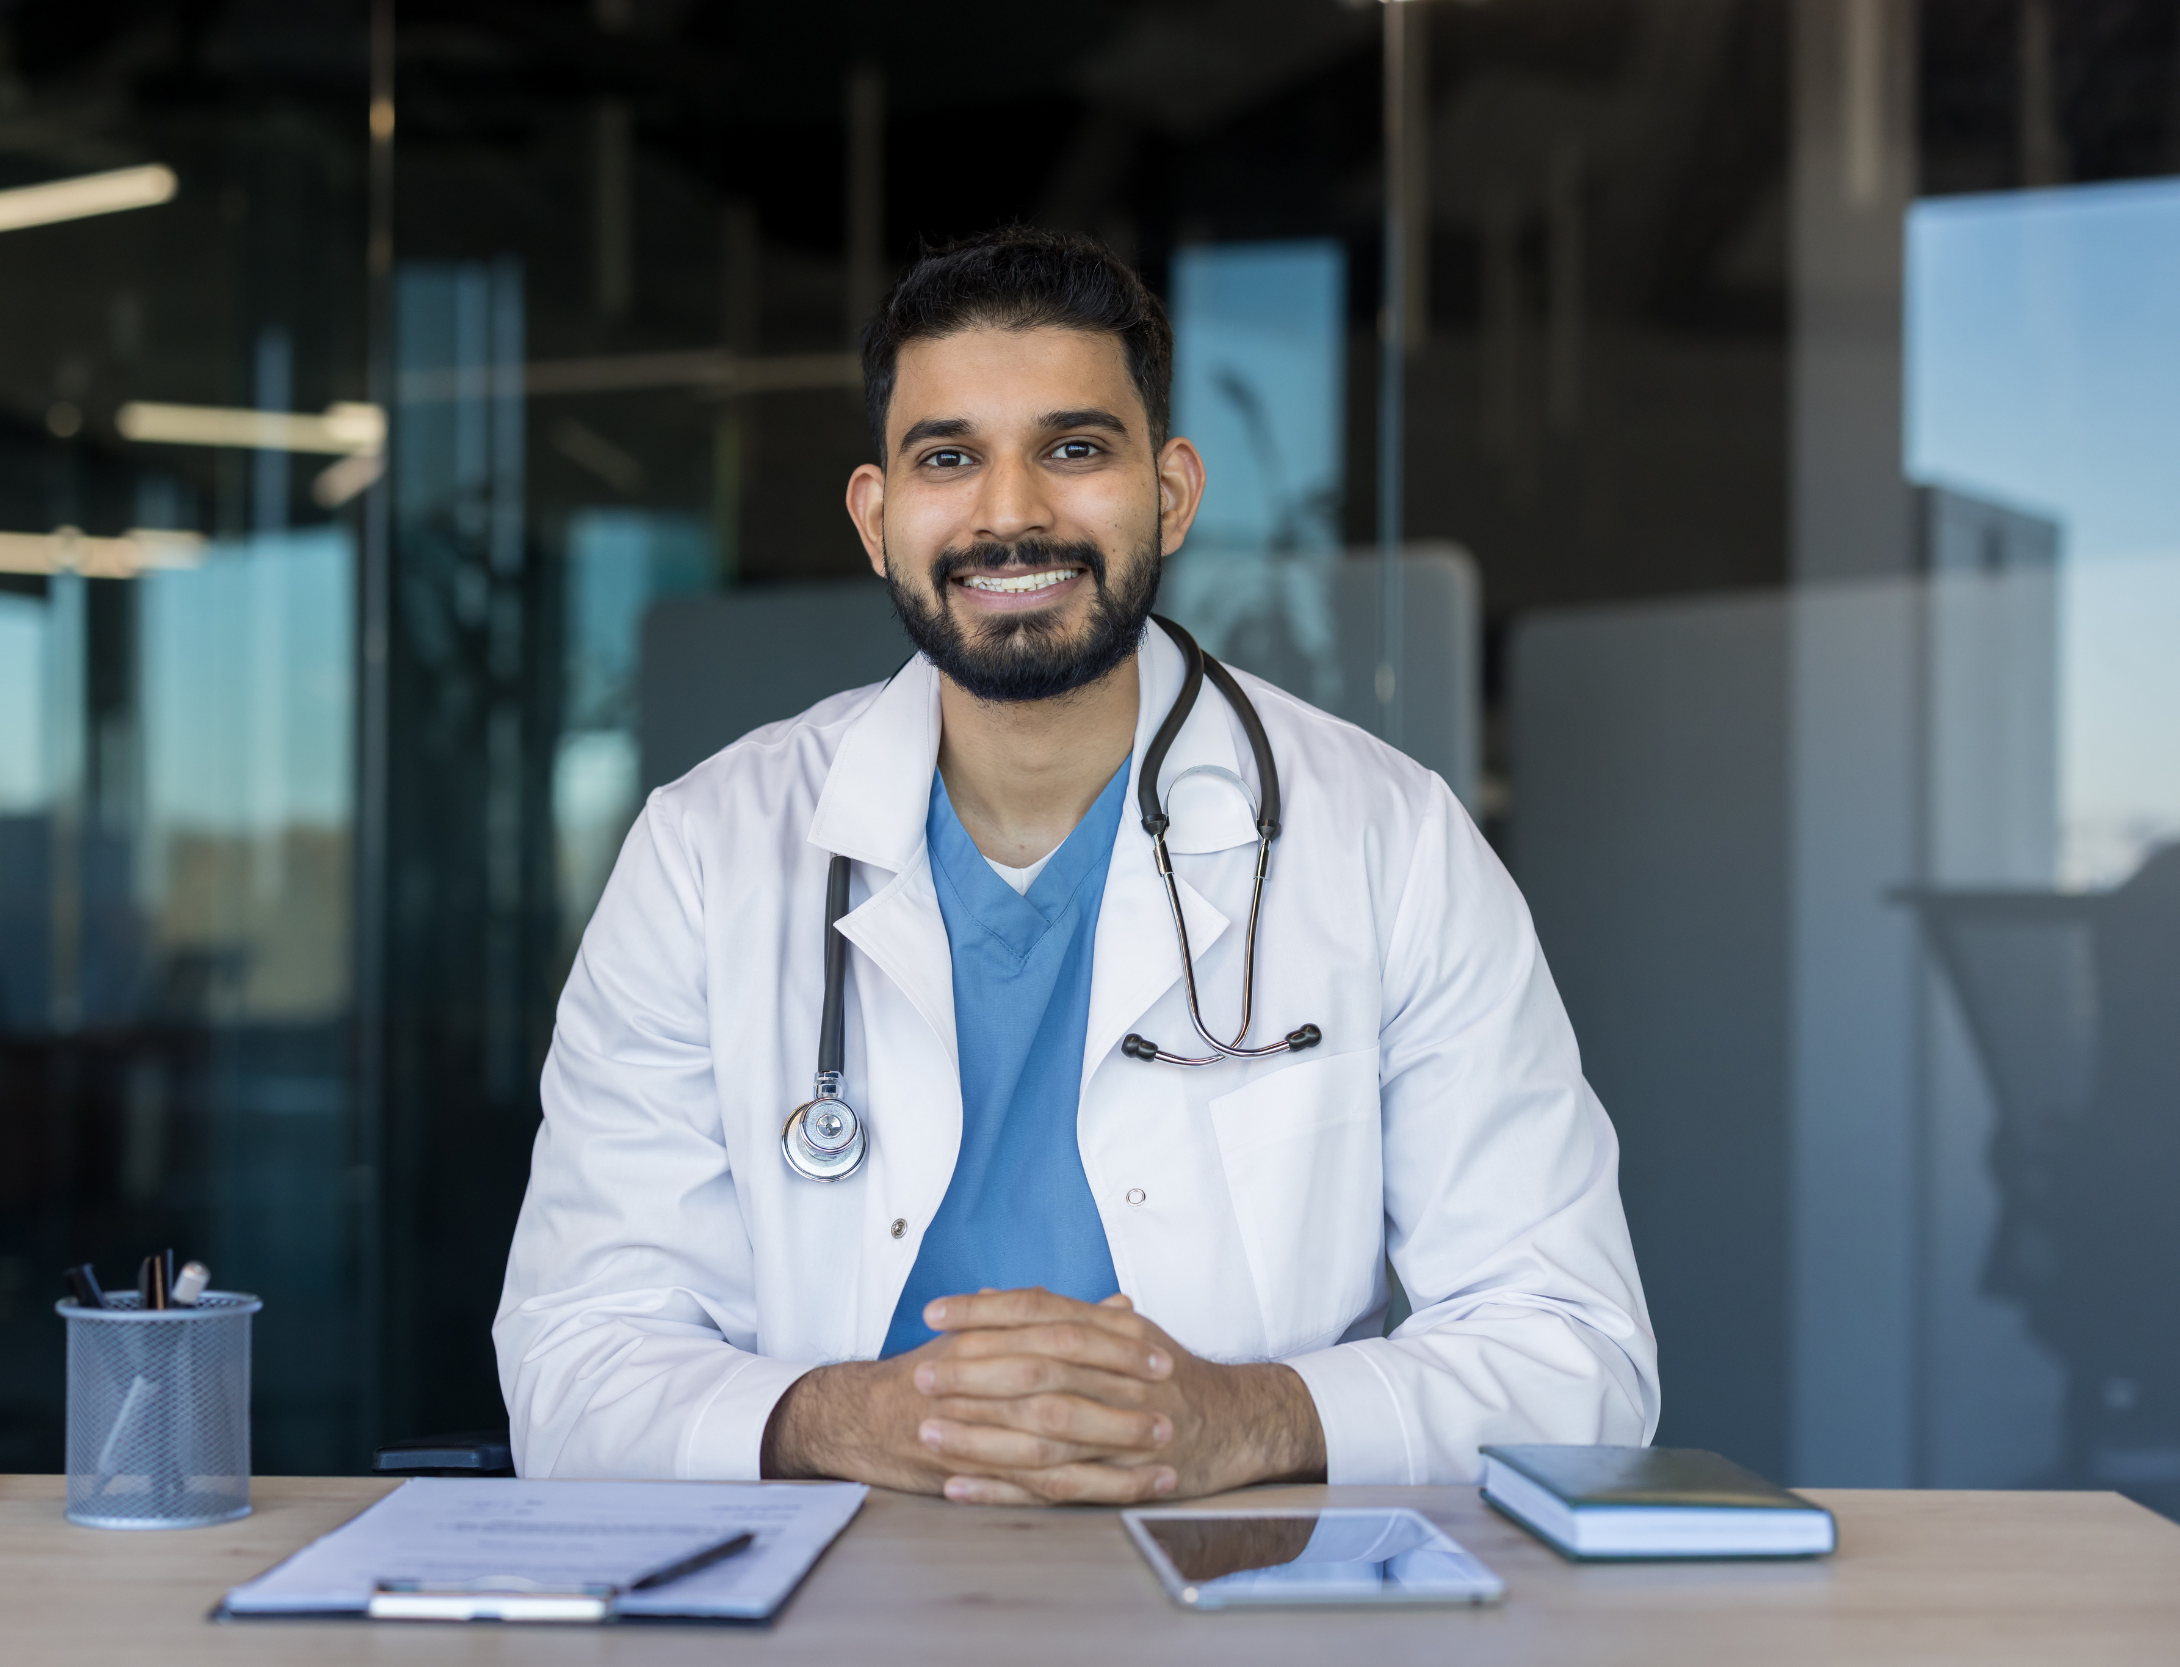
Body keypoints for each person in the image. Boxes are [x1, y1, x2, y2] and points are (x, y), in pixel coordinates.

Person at [495, 228, 1657, 1505]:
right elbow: (573, 1355)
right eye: (949, 458)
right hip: (825, 1603)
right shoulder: (707, 853)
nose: (1011, 513)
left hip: (1238, 1599)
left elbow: (1575, 1351)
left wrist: (1240, 1416)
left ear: (1169, 492)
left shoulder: (1390, 840)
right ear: (877, 518)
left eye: (1073, 448)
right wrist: (854, 1417)